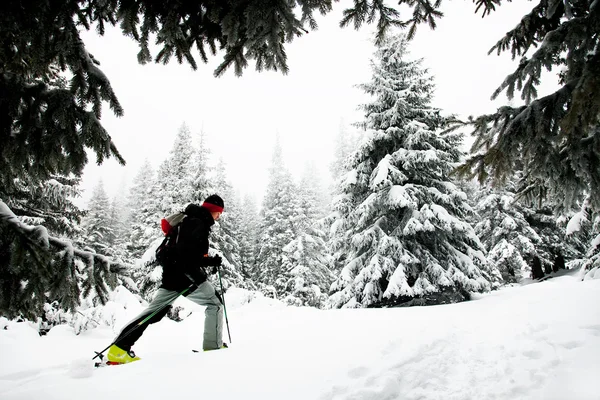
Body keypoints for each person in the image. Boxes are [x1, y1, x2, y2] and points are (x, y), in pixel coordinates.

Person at [106, 195, 226, 364]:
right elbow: (186, 256)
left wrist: (210, 261)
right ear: (213, 210)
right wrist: (199, 276)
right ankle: (213, 347)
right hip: (184, 277)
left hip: (172, 275)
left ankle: (118, 349)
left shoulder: (190, 220)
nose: (219, 216)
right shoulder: (198, 223)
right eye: (218, 212)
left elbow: (188, 253)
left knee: (152, 313)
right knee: (215, 304)